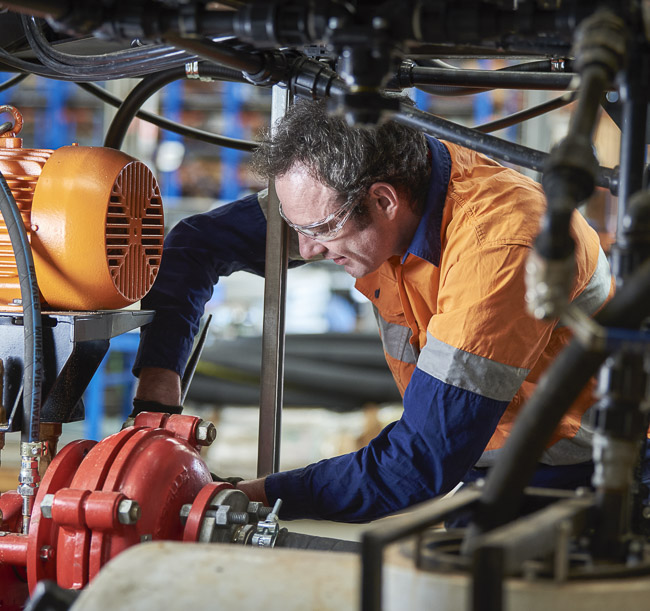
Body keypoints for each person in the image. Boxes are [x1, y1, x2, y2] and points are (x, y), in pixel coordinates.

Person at [132, 99, 613, 522]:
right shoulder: (361, 182)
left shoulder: (499, 245)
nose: (306, 248)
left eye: (320, 228)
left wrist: (251, 496)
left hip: (570, 475)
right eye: (295, 225)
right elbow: (195, 245)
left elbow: (421, 459)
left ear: (383, 201)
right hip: (480, 458)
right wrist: (156, 401)